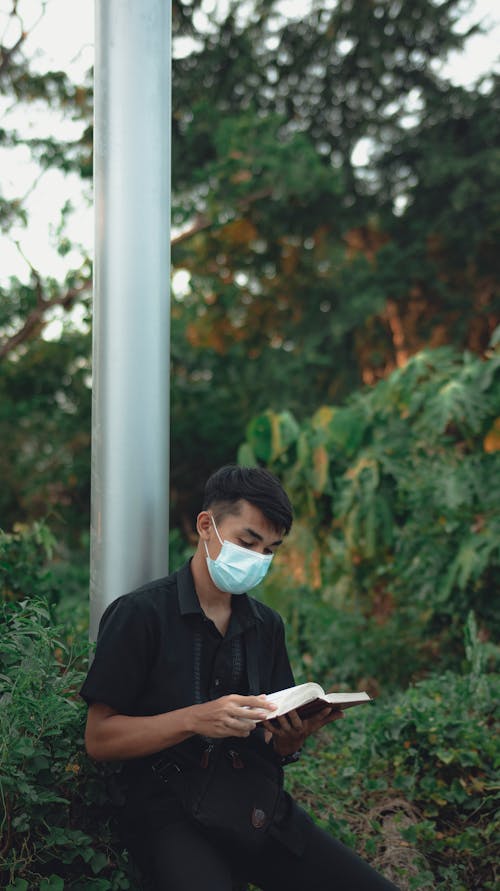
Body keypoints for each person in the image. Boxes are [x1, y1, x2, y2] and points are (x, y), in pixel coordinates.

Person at [81, 465, 400, 890]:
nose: (257, 560)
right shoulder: (140, 615)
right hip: (169, 814)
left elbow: (269, 740)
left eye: (270, 549)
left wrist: (289, 739)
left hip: (255, 807)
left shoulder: (267, 625)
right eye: (248, 542)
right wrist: (194, 719)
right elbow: (99, 739)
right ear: (205, 526)